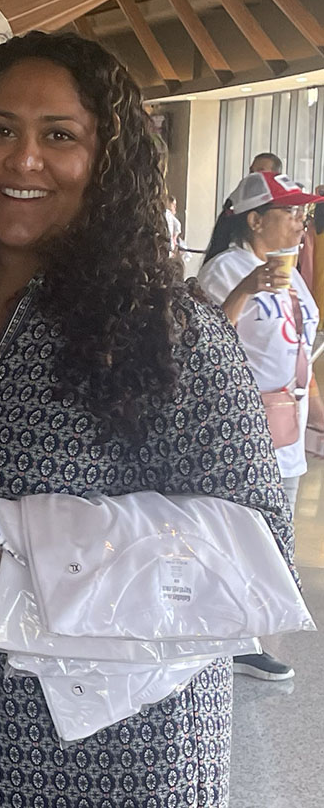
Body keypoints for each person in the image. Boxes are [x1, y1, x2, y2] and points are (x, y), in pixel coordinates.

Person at [0, 31, 295, 807]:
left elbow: (260, 548)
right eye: (0, 130)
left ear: (106, 164)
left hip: (110, 747)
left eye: (60, 136)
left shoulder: (166, 330)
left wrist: (50, 550)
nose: (24, 160)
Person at [197, 171, 324, 681]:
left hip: (284, 423)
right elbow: (203, 346)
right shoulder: (227, 271)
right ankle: (234, 638)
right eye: (289, 212)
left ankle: (247, 632)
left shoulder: (289, 272)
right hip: (241, 424)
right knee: (243, 529)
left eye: (303, 212)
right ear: (254, 220)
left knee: (276, 531)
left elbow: (298, 345)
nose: (300, 222)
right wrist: (248, 288)